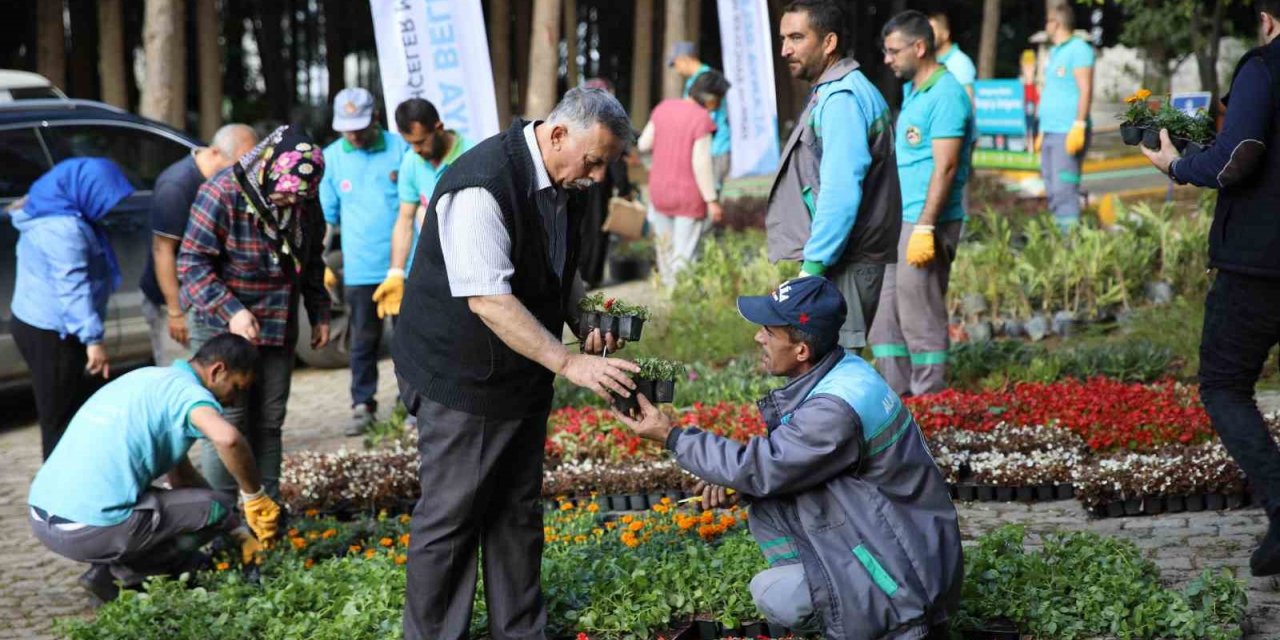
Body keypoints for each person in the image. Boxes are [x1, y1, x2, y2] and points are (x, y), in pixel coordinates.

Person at [393, 87, 641, 640]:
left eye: (607, 164)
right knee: (453, 518)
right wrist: (568, 363)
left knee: (516, 509)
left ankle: (521, 629)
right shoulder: (483, 184)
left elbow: (560, 265)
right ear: (557, 135)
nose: (599, 177)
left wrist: (582, 317)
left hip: (518, 375)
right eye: (595, 161)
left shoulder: (564, 181)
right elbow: (487, 298)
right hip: (461, 376)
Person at [614, 276, 962, 638]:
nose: (758, 337)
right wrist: (742, 487)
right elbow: (790, 466)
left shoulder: (834, 410)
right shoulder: (847, 371)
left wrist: (672, 436)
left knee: (773, 591)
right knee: (768, 513)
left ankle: (879, 619)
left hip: (903, 583)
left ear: (801, 351)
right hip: (907, 551)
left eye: (769, 331)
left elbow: (762, 467)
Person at [1140, 0, 1280, 577]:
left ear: (1268, 17)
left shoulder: (1264, 66)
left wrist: (1176, 165)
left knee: (1224, 385)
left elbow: (1237, 157)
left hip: (1260, 264)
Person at [27, 333, 281, 604]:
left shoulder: (150, 379)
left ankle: (133, 568)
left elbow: (183, 478)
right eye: (237, 388)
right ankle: (118, 576)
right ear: (218, 371)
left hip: (43, 517)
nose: (234, 401)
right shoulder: (188, 393)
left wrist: (235, 528)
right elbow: (228, 439)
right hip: (87, 529)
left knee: (204, 509)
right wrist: (255, 497)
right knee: (217, 506)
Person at [178, 125, 331, 499]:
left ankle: (266, 514)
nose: (289, 205)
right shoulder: (221, 192)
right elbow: (192, 264)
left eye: (298, 199)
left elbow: (311, 259)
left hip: (278, 324)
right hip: (223, 325)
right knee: (228, 420)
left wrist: (319, 310)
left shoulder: (303, 195)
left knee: (269, 422)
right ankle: (222, 516)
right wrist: (233, 311)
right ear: (268, 169)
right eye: (283, 195)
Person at [768, 0, 902, 351]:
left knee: (835, 371)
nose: (785, 49)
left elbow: (840, 192)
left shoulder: (843, 98)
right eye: (783, 38)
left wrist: (811, 271)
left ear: (829, 43)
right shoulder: (836, 91)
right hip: (841, 257)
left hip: (846, 259)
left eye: (797, 37)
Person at [870, 11, 974, 397]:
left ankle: (930, 399)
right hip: (900, 219)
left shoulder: (947, 95)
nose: (887, 58)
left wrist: (927, 226)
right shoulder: (916, 91)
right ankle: (895, 396)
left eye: (894, 51)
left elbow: (946, 167)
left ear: (919, 47)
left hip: (925, 220)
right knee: (886, 314)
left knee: (920, 313)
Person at [9, 158, 134, 459]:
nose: (109, 209)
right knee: (58, 420)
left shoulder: (53, 208)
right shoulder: (62, 228)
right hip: (52, 331)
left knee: (66, 413)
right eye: (105, 198)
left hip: (46, 323)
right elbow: (72, 287)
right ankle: (53, 498)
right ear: (85, 189)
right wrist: (93, 340)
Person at [319, 87, 411, 435]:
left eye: (359, 125)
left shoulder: (400, 149)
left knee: (409, 339)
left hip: (403, 267)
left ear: (375, 118)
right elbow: (327, 217)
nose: (353, 134)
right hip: (359, 269)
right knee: (362, 341)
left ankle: (412, 403)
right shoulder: (332, 158)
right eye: (346, 127)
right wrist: (320, 260)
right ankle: (362, 404)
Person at [142, 124, 258, 367]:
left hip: (208, 297)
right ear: (216, 153)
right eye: (239, 163)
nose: (245, 171)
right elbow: (162, 250)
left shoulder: (225, 182)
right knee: (181, 375)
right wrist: (175, 311)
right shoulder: (177, 187)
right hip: (172, 301)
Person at [373, 97, 473, 320]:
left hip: (473, 268)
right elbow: (405, 220)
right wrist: (396, 273)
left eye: (420, 142)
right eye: (410, 143)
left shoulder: (474, 154)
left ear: (438, 128)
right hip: (435, 271)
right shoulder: (411, 162)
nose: (415, 149)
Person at [637, 70, 730, 289]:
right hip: (689, 197)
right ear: (710, 97)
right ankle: (679, 309)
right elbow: (701, 163)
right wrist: (712, 200)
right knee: (684, 257)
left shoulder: (663, 108)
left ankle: (666, 302)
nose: (719, 104)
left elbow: (643, 144)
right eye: (718, 99)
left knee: (665, 253)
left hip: (659, 192)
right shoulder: (701, 119)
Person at [1038, 2, 1094, 230]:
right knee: (1052, 188)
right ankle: (1061, 241)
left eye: (1048, 21)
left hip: (1068, 131)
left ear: (1056, 23)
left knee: (1064, 189)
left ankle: (1071, 246)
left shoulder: (1079, 49)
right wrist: (1043, 129)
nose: (1046, 26)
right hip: (1051, 130)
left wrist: (1079, 124)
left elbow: (1085, 88)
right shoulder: (1054, 52)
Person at [578, 78, 635, 288]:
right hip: (600, 184)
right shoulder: (609, 120)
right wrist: (625, 188)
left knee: (579, 227)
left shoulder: (579, 118)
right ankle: (590, 275)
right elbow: (615, 159)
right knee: (596, 226)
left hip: (577, 179)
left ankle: (578, 274)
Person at [670, 41, 733, 190]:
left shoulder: (709, 78)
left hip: (714, 148)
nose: (676, 69)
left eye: (676, 63)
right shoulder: (694, 80)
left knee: (709, 196)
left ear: (685, 59)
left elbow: (706, 114)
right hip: (702, 147)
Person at [928, 11, 976, 100]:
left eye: (932, 31)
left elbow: (968, 102)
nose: (928, 36)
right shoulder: (929, 61)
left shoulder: (961, 62)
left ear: (945, 34)